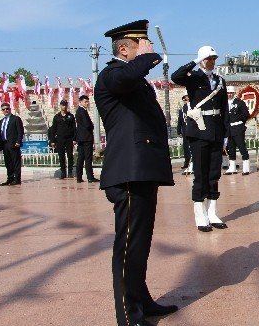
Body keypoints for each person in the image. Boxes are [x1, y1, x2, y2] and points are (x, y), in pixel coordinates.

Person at [94, 19, 177, 326]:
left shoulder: (132, 78)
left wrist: (144, 59)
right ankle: (128, 316)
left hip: (141, 169)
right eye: (141, 44)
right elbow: (128, 76)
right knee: (129, 245)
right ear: (124, 48)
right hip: (128, 171)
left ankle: (141, 300)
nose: (148, 49)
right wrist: (149, 57)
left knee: (140, 241)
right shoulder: (112, 74)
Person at [171, 45, 229, 232]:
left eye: (213, 58)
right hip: (199, 131)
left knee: (214, 173)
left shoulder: (220, 80)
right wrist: (196, 61)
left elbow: (224, 109)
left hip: (216, 131)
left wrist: (225, 134)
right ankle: (200, 215)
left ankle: (212, 212)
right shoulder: (193, 77)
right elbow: (175, 76)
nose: (211, 61)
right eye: (208, 58)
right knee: (200, 174)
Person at [224, 86, 250, 175]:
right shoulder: (224, 104)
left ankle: (246, 168)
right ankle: (232, 167)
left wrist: (240, 122)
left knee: (242, 147)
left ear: (234, 93)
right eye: (228, 93)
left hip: (238, 128)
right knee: (231, 148)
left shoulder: (240, 102)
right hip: (229, 129)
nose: (229, 95)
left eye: (231, 93)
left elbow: (246, 114)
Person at [0, 102, 24, 185]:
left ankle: (17, 179)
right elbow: (0, 133)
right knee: (8, 162)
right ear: (2, 111)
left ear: (10, 109)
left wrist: (18, 141)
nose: (6, 110)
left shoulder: (15, 119)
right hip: (5, 144)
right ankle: (10, 178)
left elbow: (20, 131)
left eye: (7, 109)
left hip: (13, 143)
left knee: (16, 162)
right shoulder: (1, 121)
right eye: (4, 109)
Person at [48, 100, 76, 179]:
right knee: (61, 156)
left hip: (69, 139)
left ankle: (70, 172)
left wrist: (74, 139)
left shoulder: (70, 116)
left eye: (65, 105)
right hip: (60, 139)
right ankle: (63, 172)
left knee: (70, 155)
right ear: (60, 106)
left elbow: (74, 128)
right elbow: (53, 129)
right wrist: (52, 140)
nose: (64, 107)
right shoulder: (57, 117)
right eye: (63, 105)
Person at [75, 94, 99, 183]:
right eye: (85, 101)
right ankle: (90, 177)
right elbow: (87, 124)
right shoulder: (82, 111)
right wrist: (91, 125)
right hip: (86, 138)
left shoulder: (79, 111)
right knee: (88, 158)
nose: (87, 103)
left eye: (87, 101)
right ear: (80, 102)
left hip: (81, 138)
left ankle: (79, 177)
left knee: (80, 158)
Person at [176, 95, 193, 175]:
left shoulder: (192, 107)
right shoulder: (182, 110)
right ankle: (187, 163)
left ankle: (192, 164)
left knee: (192, 148)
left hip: (193, 131)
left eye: (186, 99)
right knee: (186, 148)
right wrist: (178, 131)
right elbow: (180, 121)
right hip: (185, 131)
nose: (185, 101)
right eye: (184, 100)